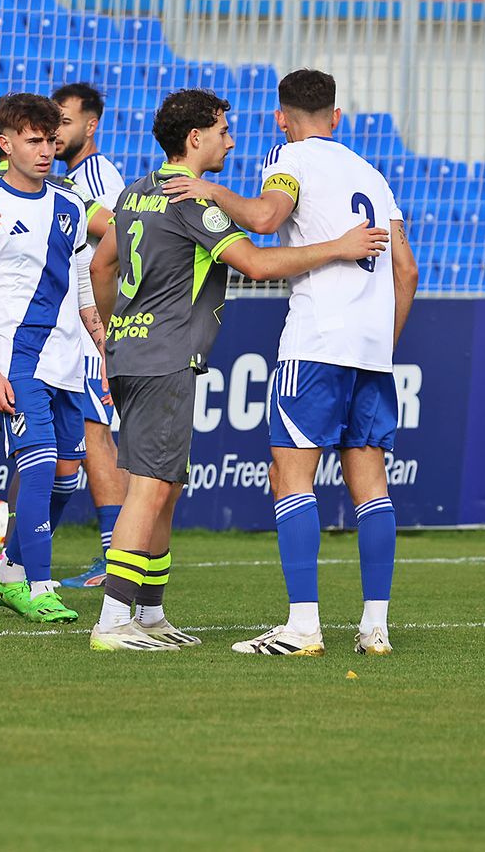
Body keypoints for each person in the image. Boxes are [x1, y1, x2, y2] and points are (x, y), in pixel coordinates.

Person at [87, 88, 388, 652]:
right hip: (166, 355)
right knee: (150, 486)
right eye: (223, 130)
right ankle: (112, 620)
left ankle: (150, 615)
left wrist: (111, 334)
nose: (231, 138)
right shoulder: (193, 201)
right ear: (195, 138)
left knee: (167, 485)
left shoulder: (133, 193)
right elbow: (256, 261)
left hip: (135, 352)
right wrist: (338, 247)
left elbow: (102, 265)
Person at [169, 70, 419, 658]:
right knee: (372, 488)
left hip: (316, 344)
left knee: (290, 477)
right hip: (370, 351)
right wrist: (381, 343)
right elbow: (405, 270)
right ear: (337, 117)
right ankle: (374, 627)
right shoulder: (373, 175)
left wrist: (214, 194)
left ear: (282, 119)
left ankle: (303, 627)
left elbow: (264, 218)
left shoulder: (290, 156)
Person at [0, 93, 105, 624]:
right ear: (5, 143)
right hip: (17, 360)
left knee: (67, 476)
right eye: (33, 141)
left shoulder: (69, 204)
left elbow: (79, 267)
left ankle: (10, 570)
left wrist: (93, 323)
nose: (45, 150)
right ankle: (39, 587)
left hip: (67, 358)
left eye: (49, 140)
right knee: (36, 471)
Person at [52, 82, 126, 588]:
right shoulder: (72, 177)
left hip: (96, 327)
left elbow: (122, 231)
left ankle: (115, 559)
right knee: (81, 438)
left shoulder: (94, 174)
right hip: (79, 326)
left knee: (97, 435)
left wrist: (103, 328)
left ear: (90, 125)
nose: (56, 130)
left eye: (65, 120)